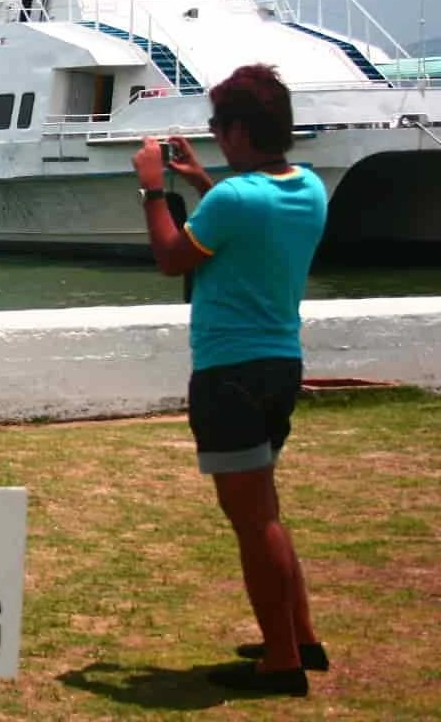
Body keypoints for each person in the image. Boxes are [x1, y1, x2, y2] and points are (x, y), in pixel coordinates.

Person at [133, 63, 327, 698]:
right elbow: (248, 218)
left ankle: (280, 662)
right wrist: (202, 182)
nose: (213, 134)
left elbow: (169, 258)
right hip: (280, 363)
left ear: (241, 130)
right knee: (267, 509)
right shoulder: (308, 189)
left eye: (218, 126)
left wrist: (153, 190)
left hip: (228, 371)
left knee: (253, 522)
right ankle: (300, 636)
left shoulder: (232, 199)